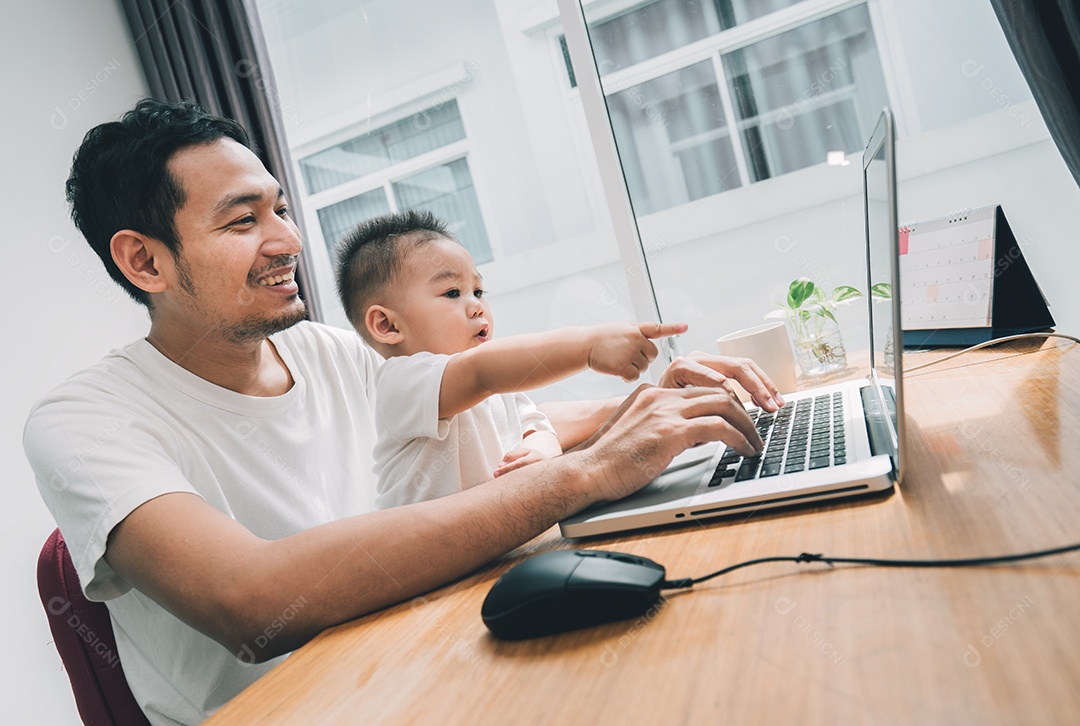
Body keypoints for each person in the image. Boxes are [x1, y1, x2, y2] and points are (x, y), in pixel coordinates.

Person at [23, 98, 781, 726]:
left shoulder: (327, 352)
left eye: (281, 208)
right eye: (242, 220)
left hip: (415, 668)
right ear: (145, 261)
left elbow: (488, 406)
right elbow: (251, 604)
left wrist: (641, 410)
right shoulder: (83, 422)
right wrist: (584, 474)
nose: (288, 240)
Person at [335, 210, 690, 508]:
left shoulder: (499, 384)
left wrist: (539, 450)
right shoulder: (400, 382)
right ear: (386, 324)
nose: (476, 306)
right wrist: (588, 345)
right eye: (452, 293)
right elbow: (480, 373)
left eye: (478, 290)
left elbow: (536, 425)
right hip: (425, 568)